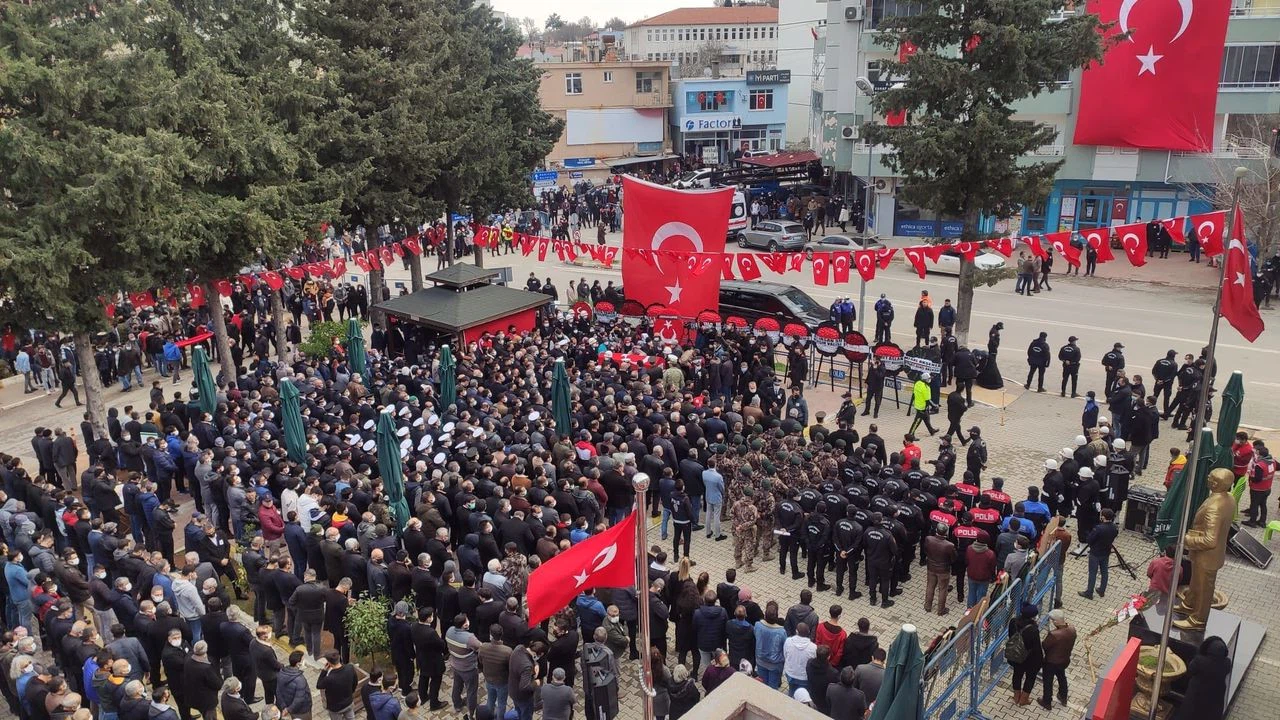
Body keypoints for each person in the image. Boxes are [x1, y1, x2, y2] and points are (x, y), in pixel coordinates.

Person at [1169, 637, 1231, 720]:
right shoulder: (1227, 663)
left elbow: (1190, 671)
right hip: (1215, 698)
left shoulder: (1199, 661)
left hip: (1196, 697)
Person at [1006, 603, 1043, 706]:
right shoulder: (1033, 629)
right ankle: (1024, 699)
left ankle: (1016, 696)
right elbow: (1036, 648)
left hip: (1017, 656)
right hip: (1030, 659)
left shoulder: (1013, 622)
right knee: (1030, 677)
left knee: (1017, 674)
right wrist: (1040, 661)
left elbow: (1011, 636)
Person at [1078, 509, 1118, 600]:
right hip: (1106, 552)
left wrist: (1088, 534)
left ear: (1103, 517)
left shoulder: (1099, 528)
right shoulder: (1114, 528)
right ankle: (1102, 590)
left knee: (1093, 573)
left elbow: (1089, 540)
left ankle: (1089, 592)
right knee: (1104, 571)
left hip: (1095, 553)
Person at [316, 650, 357, 720]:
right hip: (348, 702)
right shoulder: (350, 668)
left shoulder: (329, 679)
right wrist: (350, 693)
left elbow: (319, 685)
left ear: (329, 663)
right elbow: (355, 683)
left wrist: (324, 671)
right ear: (339, 657)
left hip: (335, 708)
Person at [782, 622, 817, 698]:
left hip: (790, 673)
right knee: (803, 695)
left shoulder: (788, 641)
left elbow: (785, 655)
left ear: (796, 631)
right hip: (804, 677)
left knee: (791, 690)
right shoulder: (813, 647)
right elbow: (813, 662)